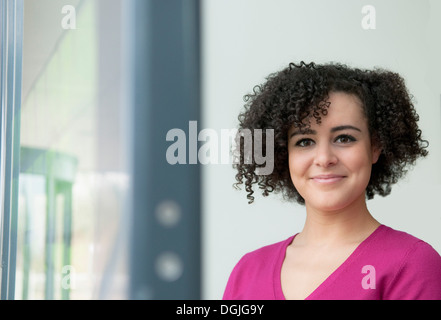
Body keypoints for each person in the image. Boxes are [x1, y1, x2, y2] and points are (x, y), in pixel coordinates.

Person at [223, 61, 441, 300]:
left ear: (376, 146)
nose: (324, 158)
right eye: (304, 141)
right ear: (284, 153)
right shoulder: (248, 271)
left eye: (345, 138)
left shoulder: (411, 265)